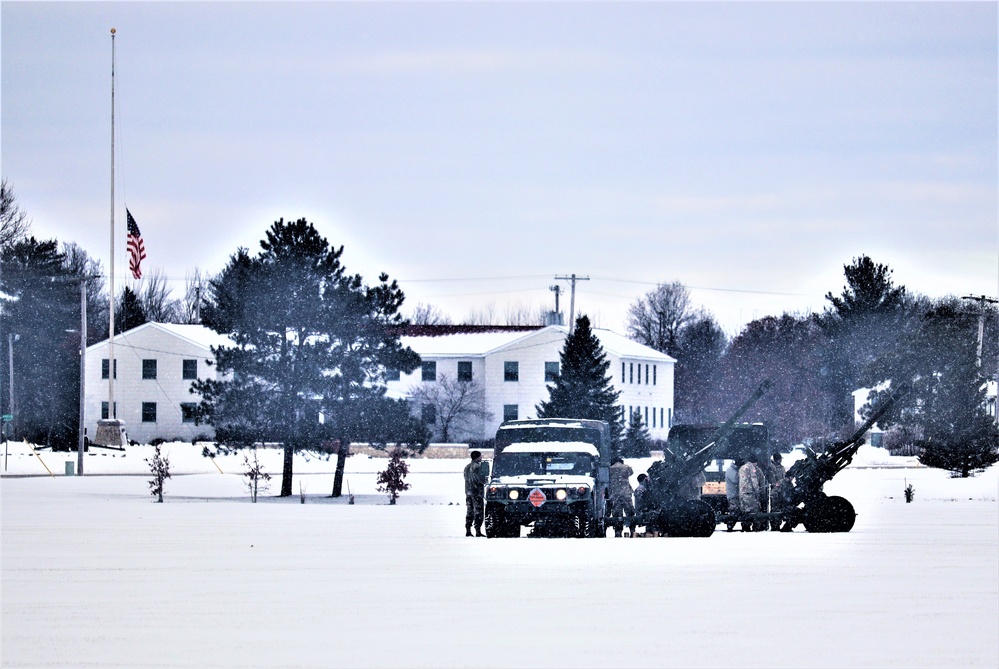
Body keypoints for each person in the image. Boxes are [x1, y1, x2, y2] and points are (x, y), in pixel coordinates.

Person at [608, 458, 636, 537]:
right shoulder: (626, 467)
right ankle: (632, 530)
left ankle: (618, 530)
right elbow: (631, 473)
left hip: (615, 493)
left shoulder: (610, 469)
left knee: (617, 513)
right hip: (626, 492)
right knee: (630, 512)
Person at [463, 450, 487, 537]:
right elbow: (480, 480)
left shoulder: (467, 467)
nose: (481, 458)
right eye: (480, 456)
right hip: (477, 492)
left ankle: (468, 530)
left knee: (470, 511)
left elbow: (465, 477)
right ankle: (478, 531)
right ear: (477, 457)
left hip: (468, 492)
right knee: (478, 512)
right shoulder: (478, 467)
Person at [738, 456, 763, 532]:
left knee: (744, 509)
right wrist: (757, 491)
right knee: (754, 509)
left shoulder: (742, 468)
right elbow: (754, 480)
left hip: (742, 491)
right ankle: (755, 526)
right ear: (755, 462)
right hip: (749, 492)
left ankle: (745, 526)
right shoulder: (752, 468)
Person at [768, 452, 788, 531]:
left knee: (780, 508)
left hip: (782, 491)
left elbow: (784, 477)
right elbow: (771, 479)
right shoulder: (772, 467)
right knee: (774, 508)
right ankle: (774, 525)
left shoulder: (782, 468)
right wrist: (778, 483)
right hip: (775, 491)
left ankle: (778, 524)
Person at [725, 457, 744, 532]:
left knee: (742, 510)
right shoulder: (730, 470)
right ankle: (730, 525)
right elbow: (736, 479)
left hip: (739, 494)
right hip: (733, 495)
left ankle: (744, 526)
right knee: (734, 511)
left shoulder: (735, 470)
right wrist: (741, 472)